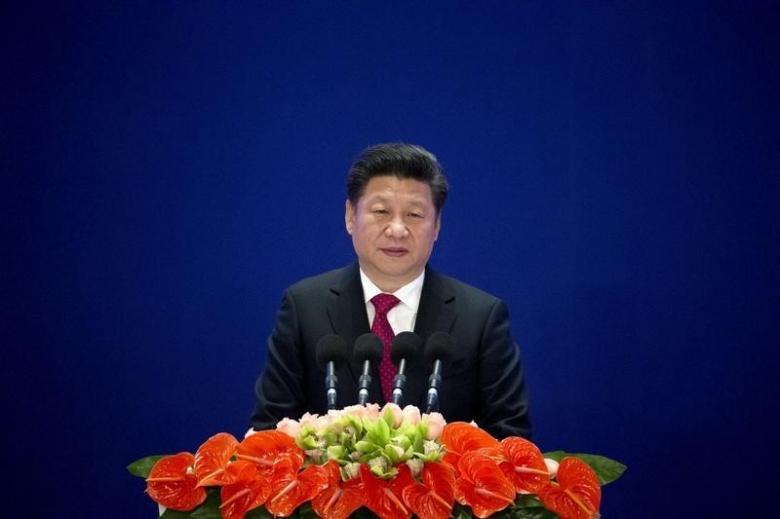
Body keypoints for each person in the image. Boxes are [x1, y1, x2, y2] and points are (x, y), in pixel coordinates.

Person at [250, 143, 531, 439]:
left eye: (414, 215)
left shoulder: (481, 317)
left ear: (437, 225)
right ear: (350, 215)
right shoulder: (304, 308)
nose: (397, 229)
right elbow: (270, 432)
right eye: (381, 211)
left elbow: (510, 436)